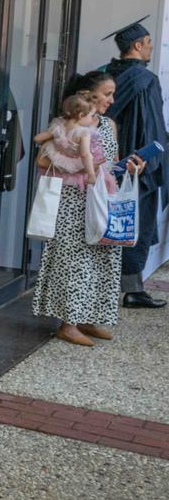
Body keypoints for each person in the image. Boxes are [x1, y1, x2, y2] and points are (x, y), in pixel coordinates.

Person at [32, 73, 130, 345]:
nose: (111, 100)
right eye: (107, 93)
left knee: (102, 254)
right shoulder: (67, 124)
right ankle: (67, 322)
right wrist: (82, 166)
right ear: (88, 94)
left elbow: (114, 160)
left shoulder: (108, 125)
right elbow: (43, 160)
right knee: (73, 259)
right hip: (72, 201)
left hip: (100, 198)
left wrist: (130, 166)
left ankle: (87, 317)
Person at [102, 16, 168, 309]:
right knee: (135, 224)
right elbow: (152, 126)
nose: (151, 48)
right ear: (138, 45)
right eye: (149, 43)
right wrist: (153, 160)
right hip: (137, 163)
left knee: (111, 222)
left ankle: (110, 285)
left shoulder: (105, 75)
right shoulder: (145, 80)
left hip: (109, 160)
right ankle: (133, 290)